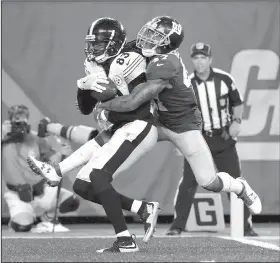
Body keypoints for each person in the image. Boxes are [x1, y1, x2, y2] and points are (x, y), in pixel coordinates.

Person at [95, 15, 262, 219]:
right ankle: (83, 164)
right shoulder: (148, 51)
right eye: (148, 33)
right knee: (118, 136)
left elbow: (134, 101)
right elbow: (118, 52)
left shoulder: (166, 62)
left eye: (155, 37)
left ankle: (239, 186)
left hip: (183, 126)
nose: (147, 39)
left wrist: (103, 105)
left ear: (168, 44)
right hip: (157, 121)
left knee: (208, 181)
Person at [27, 17, 163, 253]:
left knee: (99, 176)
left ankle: (125, 241)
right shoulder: (93, 65)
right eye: (91, 44)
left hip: (139, 124)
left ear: (113, 43)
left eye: (98, 44)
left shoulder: (131, 60)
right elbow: (86, 108)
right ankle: (142, 209)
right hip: (120, 126)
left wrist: (109, 101)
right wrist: (84, 86)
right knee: (82, 185)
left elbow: (138, 103)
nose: (93, 49)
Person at [166, 42, 258, 236]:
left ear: (210, 59)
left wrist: (237, 121)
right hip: (198, 140)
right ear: (192, 60)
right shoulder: (187, 83)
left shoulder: (225, 79)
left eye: (203, 58)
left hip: (223, 138)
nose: (200, 62)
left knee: (236, 181)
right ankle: (177, 225)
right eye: (196, 58)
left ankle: (245, 226)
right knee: (189, 183)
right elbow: (181, 112)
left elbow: (237, 102)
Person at [1, 105, 80, 233]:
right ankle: (18, 220)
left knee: (71, 202)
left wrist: (61, 153)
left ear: (27, 121)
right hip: (18, 194)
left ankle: (47, 218)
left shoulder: (36, 138)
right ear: (10, 122)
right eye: (16, 122)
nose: (19, 126)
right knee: (22, 227)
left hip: (41, 189)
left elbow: (50, 161)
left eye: (23, 122)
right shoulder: (3, 139)